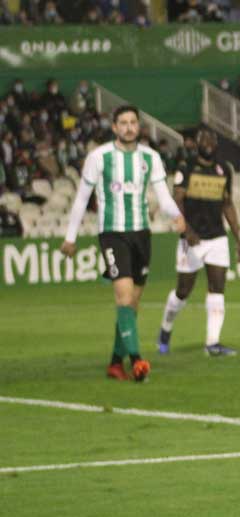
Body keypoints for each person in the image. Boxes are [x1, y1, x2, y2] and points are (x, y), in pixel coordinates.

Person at [60, 104, 184, 382]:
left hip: (142, 234)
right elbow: (82, 198)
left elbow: (163, 197)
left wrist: (177, 215)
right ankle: (137, 360)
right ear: (114, 127)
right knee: (124, 297)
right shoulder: (99, 157)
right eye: (123, 123)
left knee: (133, 303)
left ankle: (115, 363)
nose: (129, 127)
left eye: (133, 122)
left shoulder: (150, 157)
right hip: (113, 234)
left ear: (138, 127)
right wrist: (70, 237)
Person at [157, 127, 240, 357]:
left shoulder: (224, 169)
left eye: (212, 140)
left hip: (217, 237)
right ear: (196, 144)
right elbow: (177, 199)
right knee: (183, 291)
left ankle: (212, 343)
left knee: (217, 288)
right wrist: (187, 230)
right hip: (192, 239)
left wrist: (239, 239)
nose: (208, 143)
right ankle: (165, 329)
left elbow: (227, 204)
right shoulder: (186, 167)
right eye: (203, 140)